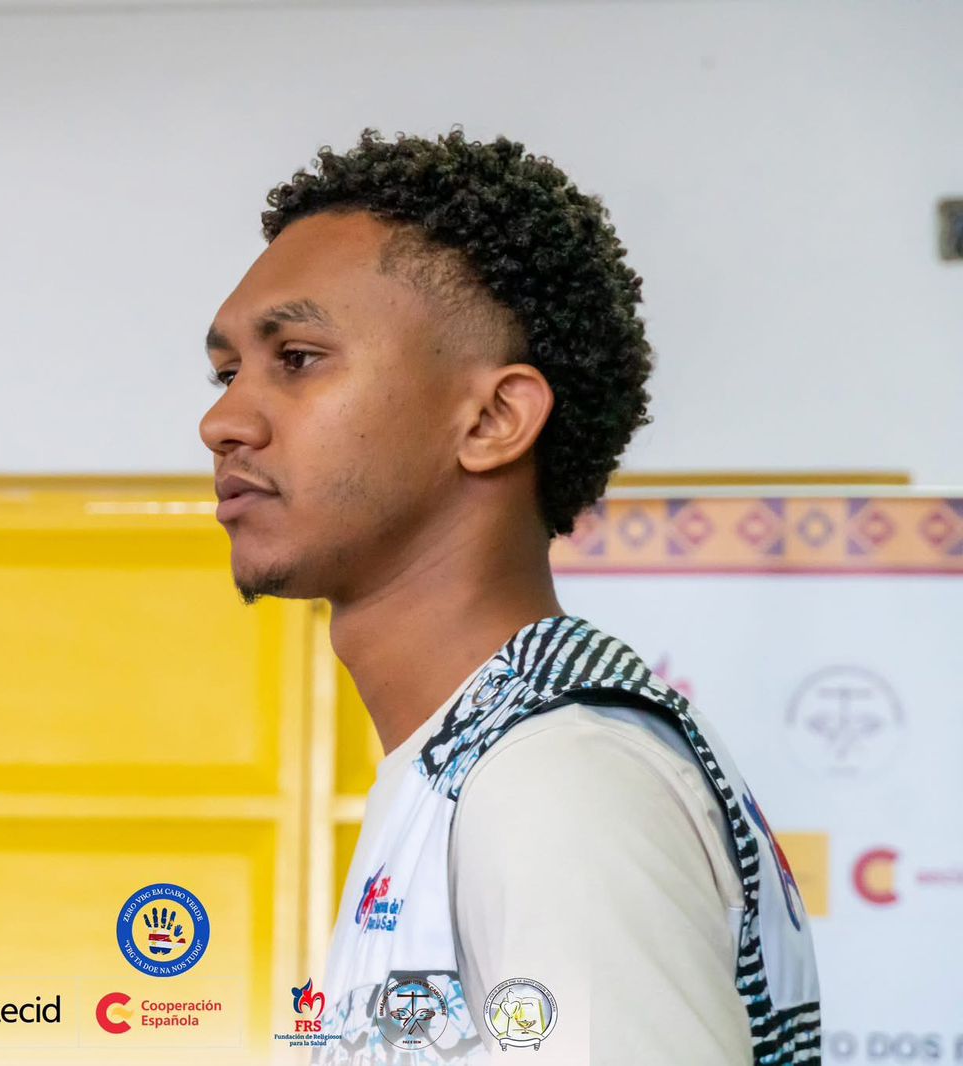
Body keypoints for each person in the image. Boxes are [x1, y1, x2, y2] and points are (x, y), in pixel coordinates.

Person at [198, 128, 820, 1064]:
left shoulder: (555, 785)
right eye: (226, 372)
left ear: (492, 419)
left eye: (298, 357)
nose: (223, 420)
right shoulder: (475, 765)